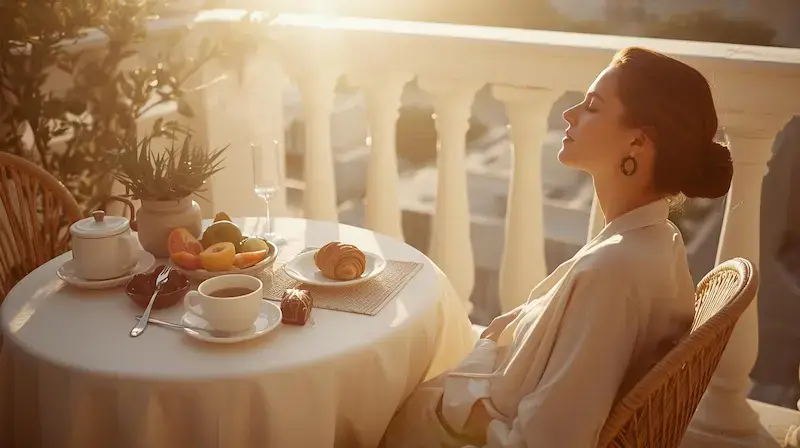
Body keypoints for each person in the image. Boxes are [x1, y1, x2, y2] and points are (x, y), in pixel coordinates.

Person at [381, 46, 734, 447]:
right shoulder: (656, 239)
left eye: (593, 107)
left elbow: (546, 440)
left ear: (637, 141)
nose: (570, 115)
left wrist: (464, 401)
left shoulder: (614, 272)